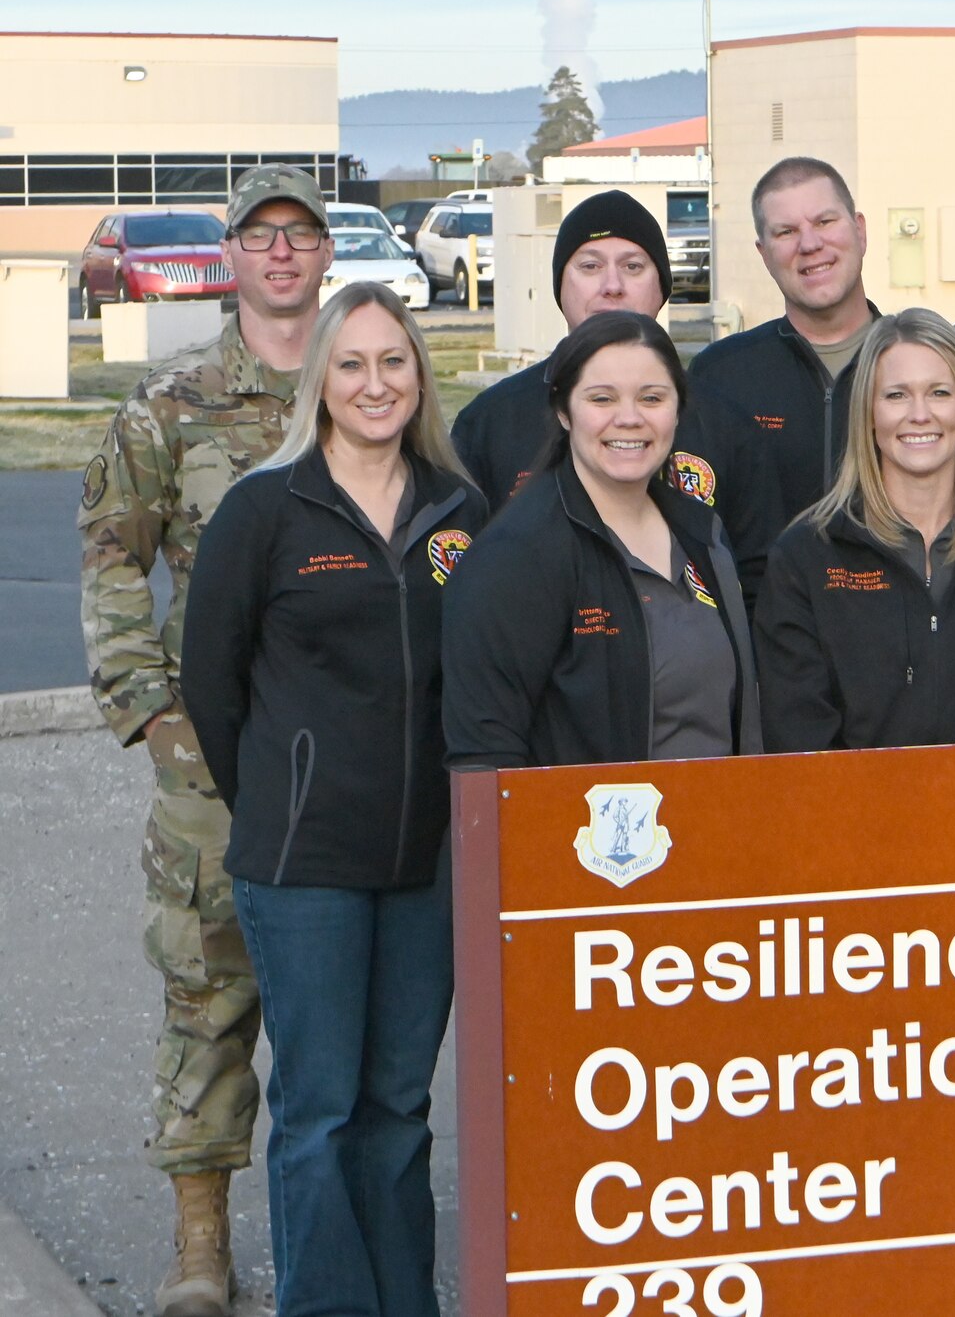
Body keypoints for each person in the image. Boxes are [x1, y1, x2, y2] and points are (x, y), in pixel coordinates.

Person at [178, 283, 484, 1317]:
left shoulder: (458, 507)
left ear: (418, 376)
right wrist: (281, 790)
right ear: (320, 381)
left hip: (428, 865)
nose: (374, 384)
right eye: (351, 364)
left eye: (393, 362)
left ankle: (406, 1300)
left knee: (399, 1104)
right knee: (319, 1107)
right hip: (303, 861)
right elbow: (212, 684)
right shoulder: (266, 510)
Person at [78, 162, 332, 1317]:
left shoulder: (368, 383)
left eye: (300, 235)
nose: (281, 253)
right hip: (214, 762)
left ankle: (334, 1241)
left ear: (327, 254)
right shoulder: (171, 405)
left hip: (346, 755)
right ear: (230, 256)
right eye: (259, 235)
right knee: (207, 998)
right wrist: (146, 705)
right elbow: (111, 550)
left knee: (340, 1011)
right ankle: (200, 1250)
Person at [445, 311, 761, 769]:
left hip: (716, 829)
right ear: (563, 410)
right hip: (586, 837)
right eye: (602, 398)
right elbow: (483, 762)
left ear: (678, 409)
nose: (629, 419)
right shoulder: (515, 558)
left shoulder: (702, 533)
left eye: (651, 398)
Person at [756, 309, 955, 751]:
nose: (920, 414)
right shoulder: (806, 558)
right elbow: (799, 741)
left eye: (940, 392)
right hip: (853, 817)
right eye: (895, 395)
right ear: (868, 414)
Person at [448, 189, 779, 594]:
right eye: (590, 266)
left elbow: (759, 587)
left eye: (633, 266)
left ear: (661, 288)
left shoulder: (725, 426)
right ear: (560, 287)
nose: (612, 285)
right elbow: (467, 580)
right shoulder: (489, 424)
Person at [689, 157, 880, 520]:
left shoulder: (919, 365)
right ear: (764, 254)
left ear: (860, 231)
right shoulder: (719, 378)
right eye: (786, 232)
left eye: (824, 221)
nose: (810, 244)